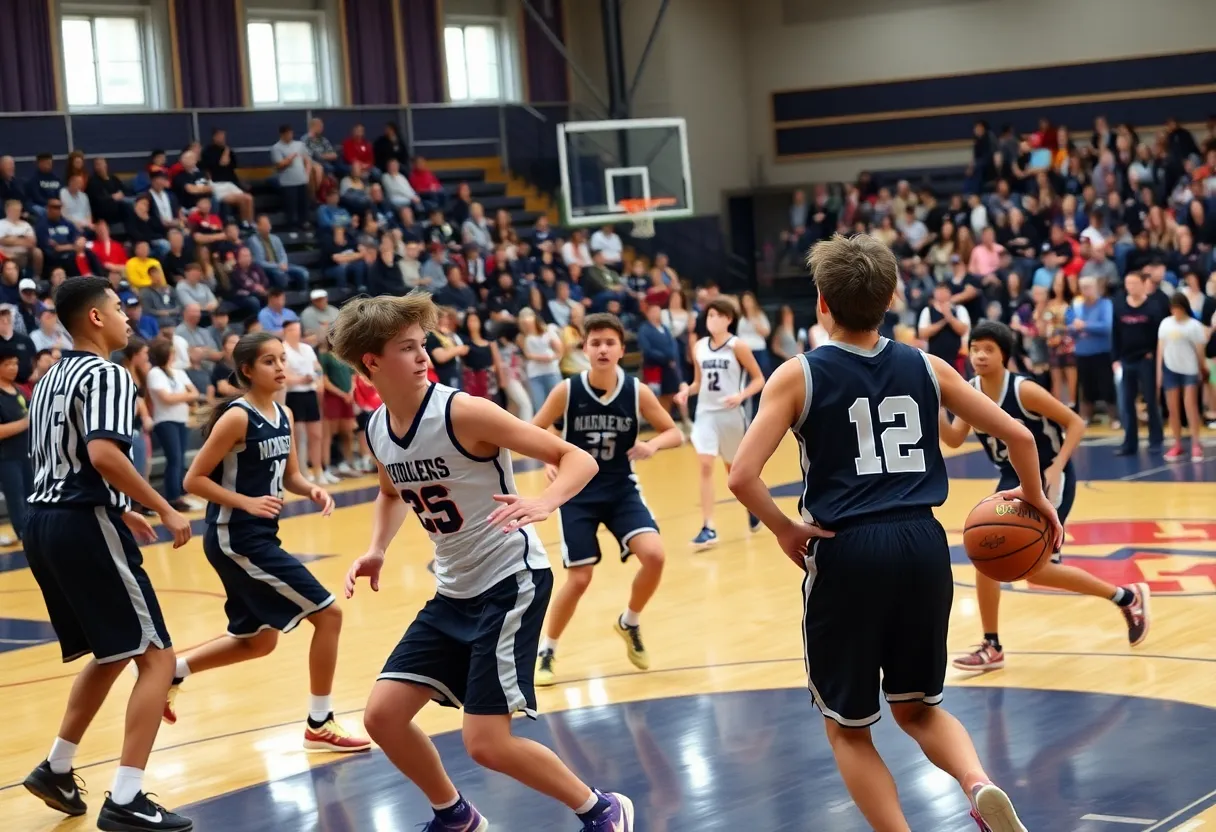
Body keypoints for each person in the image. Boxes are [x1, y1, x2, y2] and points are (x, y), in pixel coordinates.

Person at [726, 234, 1062, 832]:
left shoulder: (798, 374)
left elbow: (742, 476)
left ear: (822, 303)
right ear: (890, 301)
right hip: (924, 546)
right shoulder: (927, 366)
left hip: (848, 549)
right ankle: (978, 782)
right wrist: (1036, 500)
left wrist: (782, 528)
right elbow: (1022, 437)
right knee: (920, 710)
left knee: (849, 729)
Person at [331, 293, 635, 832]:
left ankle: (601, 809)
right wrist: (377, 548)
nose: (424, 356)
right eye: (407, 348)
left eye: (423, 344)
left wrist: (544, 502)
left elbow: (577, 457)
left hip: (509, 581)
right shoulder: (379, 428)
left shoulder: (463, 410)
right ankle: (455, 817)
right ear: (372, 363)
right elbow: (389, 491)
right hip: (454, 591)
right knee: (383, 716)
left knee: (486, 744)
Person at [20, 276, 193, 831]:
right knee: (157, 658)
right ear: (96, 319)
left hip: (43, 522)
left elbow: (63, 460)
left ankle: (57, 768)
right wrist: (164, 506)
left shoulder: (48, 380)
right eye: (119, 308)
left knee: (113, 651)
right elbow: (102, 455)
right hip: (81, 524)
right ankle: (127, 797)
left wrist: (120, 508)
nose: (127, 318)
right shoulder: (108, 373)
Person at [164, 333, 371, 752]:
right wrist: (245, 502)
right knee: (329, 615)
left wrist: (311, 489)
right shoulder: (237, 418)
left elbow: (290, 475)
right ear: (246, 371)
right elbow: (193, 480)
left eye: (281, 359)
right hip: (235, 538)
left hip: (257, 537)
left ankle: (173, 671)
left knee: (260, 640)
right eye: (269, 361)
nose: (280, 367)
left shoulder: (284, 413)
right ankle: (319, 722)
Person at [940, 321, 1150, 672]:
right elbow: (954, 439)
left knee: (1031, 566)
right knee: (988, 550)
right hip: (1012, 477)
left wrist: (1056, 468)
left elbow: (1076, 423)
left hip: (1050, 474)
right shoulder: (969, 389)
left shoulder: (1024, 390)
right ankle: (992, 644)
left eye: (988, 349)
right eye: (974, 348)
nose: (979, 355)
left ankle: (1126, 597)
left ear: (1004, 355)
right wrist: (933, 403)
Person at [530, 313, 683, 687]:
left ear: (620, 349)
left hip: (619, 489)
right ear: (584, 348)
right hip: (577, 494)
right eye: (595, 342)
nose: (602, 349)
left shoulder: (636, 392)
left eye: (609, 342)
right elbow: (533, 430)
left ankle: (629, 622)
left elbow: (674, 432)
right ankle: (547, 648)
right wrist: (553, 457)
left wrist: (652, 444)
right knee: (579, 578)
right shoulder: (566, 391)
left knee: (655, 555)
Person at [673, 298, 765, 547]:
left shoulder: (738, 346)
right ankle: (708, 527)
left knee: (734, 473)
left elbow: (759, 380)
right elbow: (698, 383)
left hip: (731, 415)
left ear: (728, 319)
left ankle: (754, 508)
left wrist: (741, 395)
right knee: (704, 465)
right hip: (705, 414)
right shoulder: (700, 346)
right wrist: (686, 392)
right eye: (709, 315)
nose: (712, 319)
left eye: (717, 315)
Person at [1157, 292, 1207, 461]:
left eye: (1177, 308)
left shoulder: (1194, 326)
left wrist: (1202, 368)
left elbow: (1199, 350)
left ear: (1184, 308)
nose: (1175, 312)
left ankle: (1195, 443)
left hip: (1190, 370)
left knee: (1190, 407)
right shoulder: (1165, 324)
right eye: (1172, 308)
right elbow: (1160, 349)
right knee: (1172, 409)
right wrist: (1159, 371)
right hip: (1170, 368)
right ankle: (1176, 444)